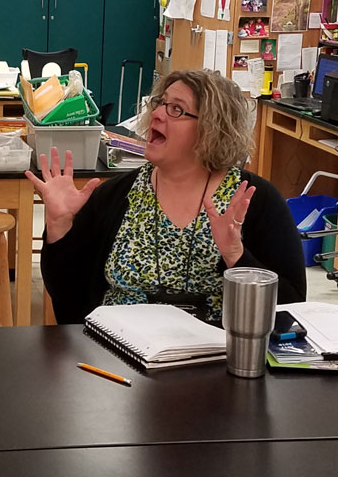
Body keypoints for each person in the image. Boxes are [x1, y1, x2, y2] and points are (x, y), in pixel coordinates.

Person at [30, 69, 306, 325]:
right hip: (115, 355)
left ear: (211, 129)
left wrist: (236, 256)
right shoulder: (116, 195)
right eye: (159, 103)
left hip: (213, 363)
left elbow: (290, 307)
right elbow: (68, 298)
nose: (157, 115)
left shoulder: (254, 200)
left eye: (176, 109)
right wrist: (60, 227)